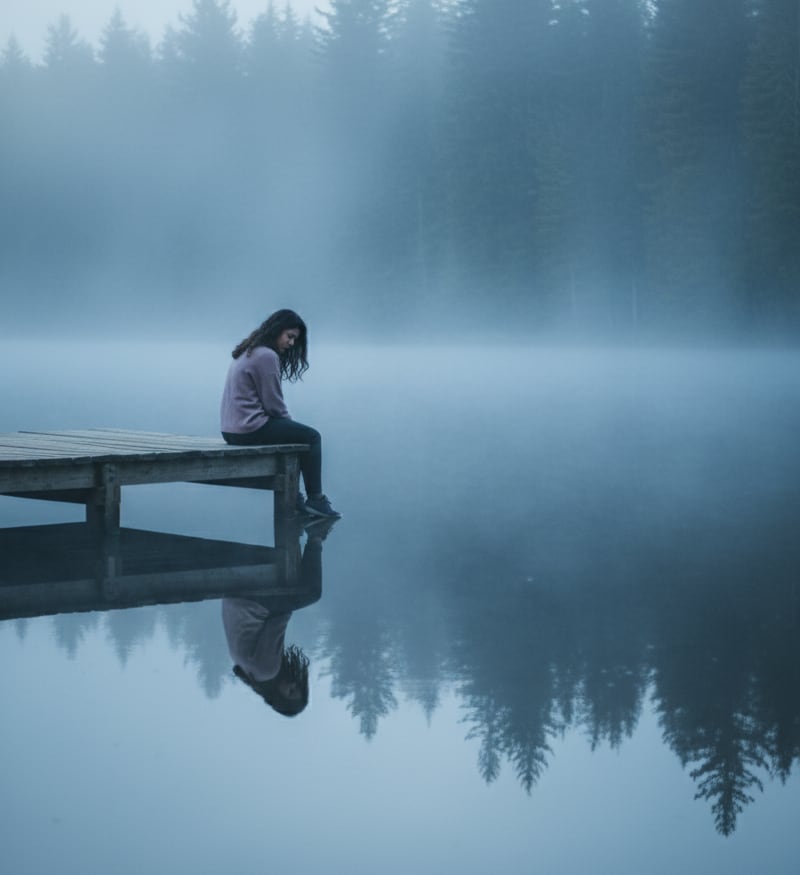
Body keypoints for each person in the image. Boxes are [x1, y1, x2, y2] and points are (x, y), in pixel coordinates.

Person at [220, 309, 340, 518]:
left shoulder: (249, 350)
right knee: (311, 436)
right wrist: (289, 425)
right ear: (277, 330)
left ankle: (296, 498)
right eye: (289, 336)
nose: (292, 343)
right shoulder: (266, 355)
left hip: (230, 431)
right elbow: (273, 404)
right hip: (250, 428)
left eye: (295, 339)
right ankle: (316, 500)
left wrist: (288, 428)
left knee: (296, 434)